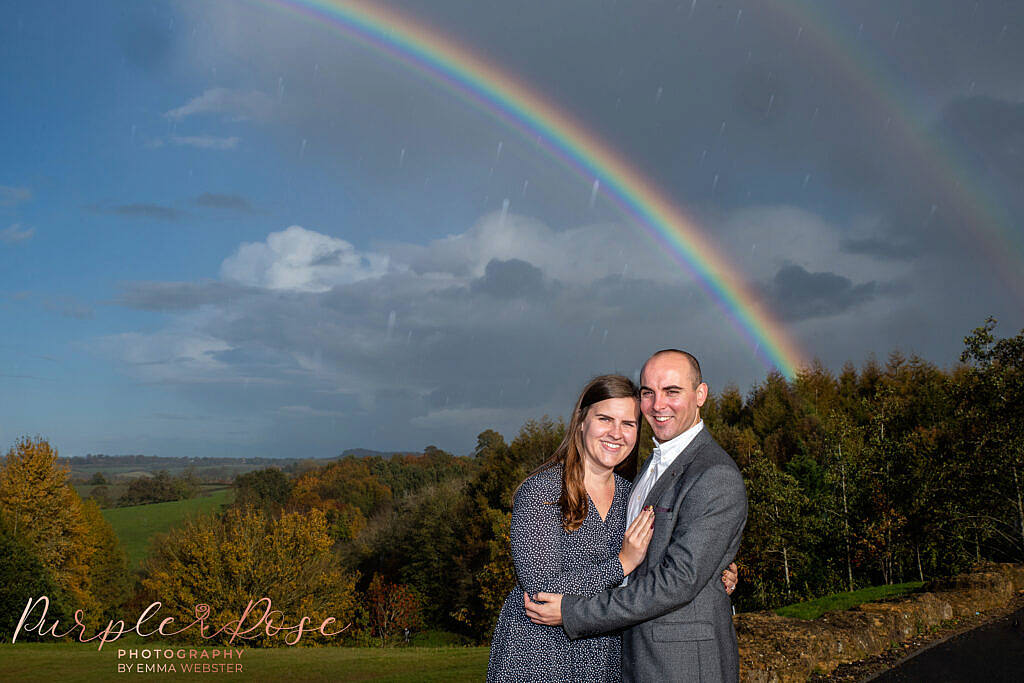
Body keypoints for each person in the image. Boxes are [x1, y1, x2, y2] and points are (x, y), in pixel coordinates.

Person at [488, 373, 738, 682]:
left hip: (610, 655)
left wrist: (714, 568)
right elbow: (541, 593)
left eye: (628, 424)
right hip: (542, 654)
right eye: (605, 419)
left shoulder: (634, 495)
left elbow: (668, 561)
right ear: (581, 421)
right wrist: (621, 564)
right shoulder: (542, 493)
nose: (616, 433)